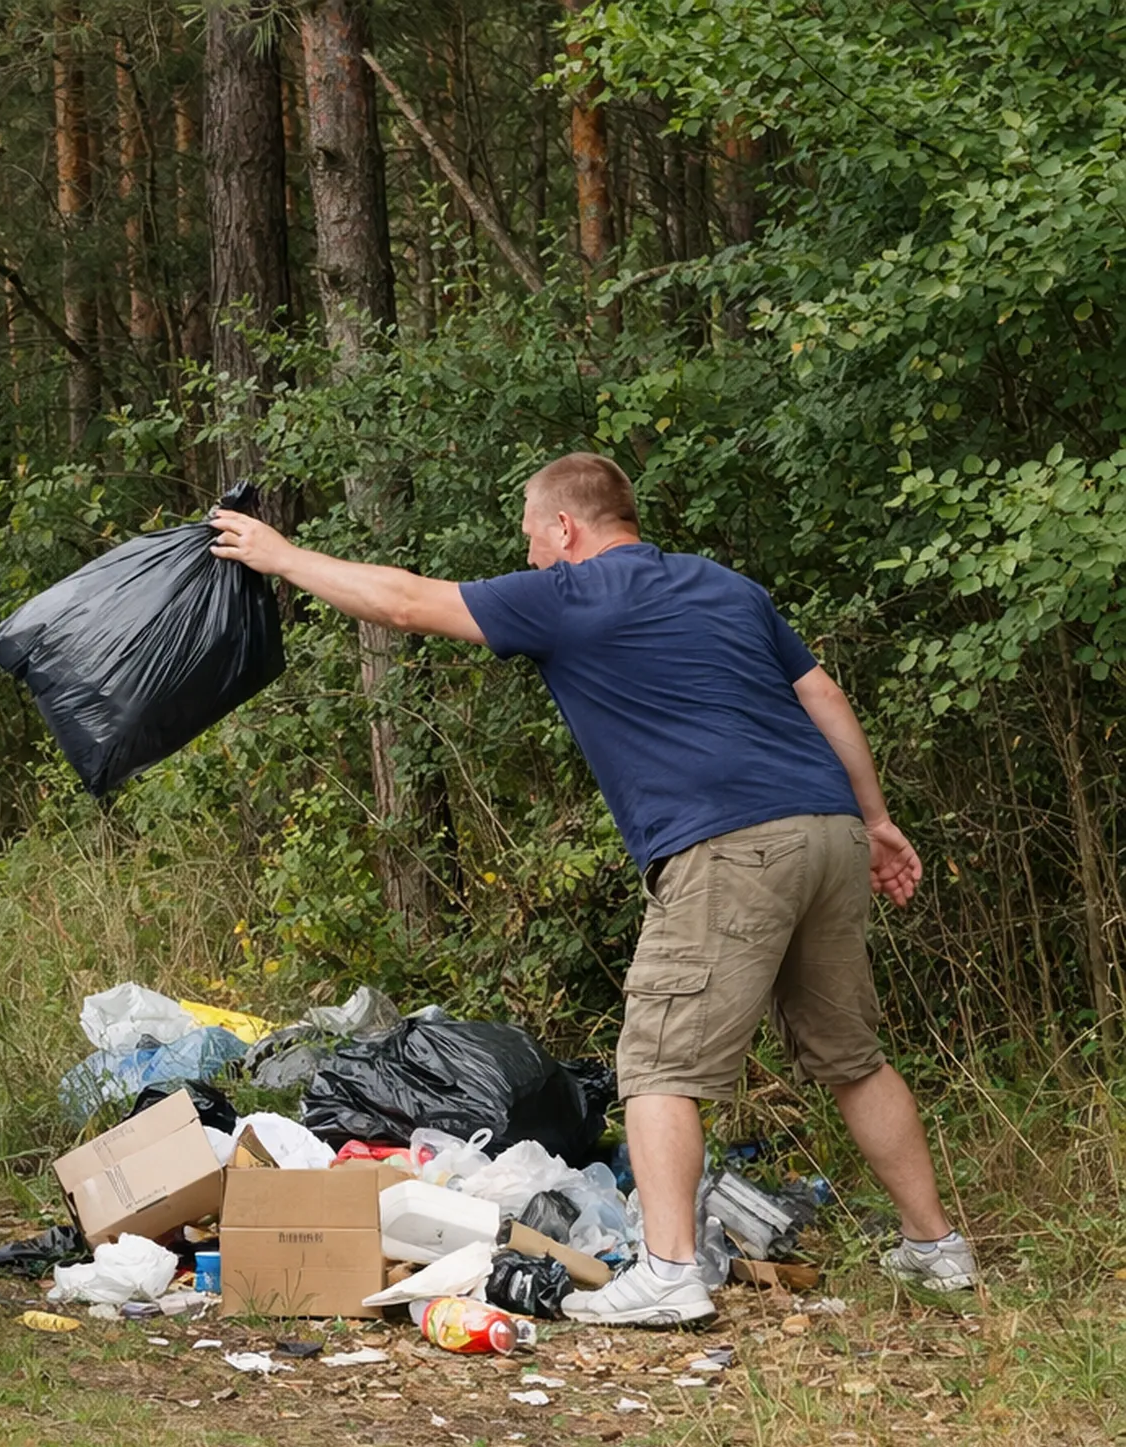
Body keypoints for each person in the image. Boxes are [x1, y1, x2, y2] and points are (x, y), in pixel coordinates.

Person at [210, 452, 973, 1325]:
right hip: (829, 830)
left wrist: (278, 555)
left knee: (655, 1065)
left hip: (727, 846)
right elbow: (824, 696)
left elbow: (402, 601)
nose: (527, 555)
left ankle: (670, 1273)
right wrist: (873, 820)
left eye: (531, 536)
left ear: (565, 527)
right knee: (851, 1056)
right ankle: (935, 1248)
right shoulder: (728, 588)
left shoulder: (573, 594)